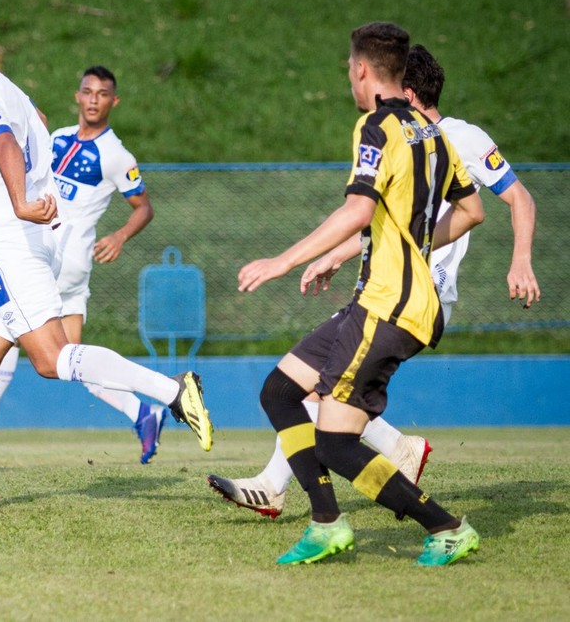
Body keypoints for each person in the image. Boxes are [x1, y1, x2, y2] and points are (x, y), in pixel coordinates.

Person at [207, 44, 541, 518]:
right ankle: (382, 458)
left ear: (405, 89)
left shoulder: (452, 138)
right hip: (385, 287)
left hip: (415, 296)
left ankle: (383, 504)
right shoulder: (409, 138)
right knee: (307, 388)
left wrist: (521, 260)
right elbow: (392, 224)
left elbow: (515, 200)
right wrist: (340, 256)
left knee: (328, 395)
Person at [0, 16, 212, 514]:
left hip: (13, 245)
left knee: (52, 361)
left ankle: (173, 392)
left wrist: (20, 201)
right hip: (22, 245)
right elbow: (40, 124)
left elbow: (5, 141)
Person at [232, 22, 485, 566]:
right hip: (385, 299)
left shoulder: (375, 126)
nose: (349, 76)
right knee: (279, 391)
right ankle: (326, 522)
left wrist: (282, 260)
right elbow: (471, 211)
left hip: (389, 305)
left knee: (336, 442)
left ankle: (446, 526)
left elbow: (358, 210)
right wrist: (414, 244)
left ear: (363, 70)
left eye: (349, 67)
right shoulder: (432, 131)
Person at [0, 65, 164, 464]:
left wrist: (119, 235)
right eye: (86, 91)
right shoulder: (57, 138)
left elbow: (144, 207)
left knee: (12, 345)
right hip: (47, 248)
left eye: (101, 94)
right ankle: (144, 412)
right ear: (77, 95)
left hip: (60, 258)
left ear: (113, 101)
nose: (92, 100)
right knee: (64, 357)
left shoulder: (117, 155)